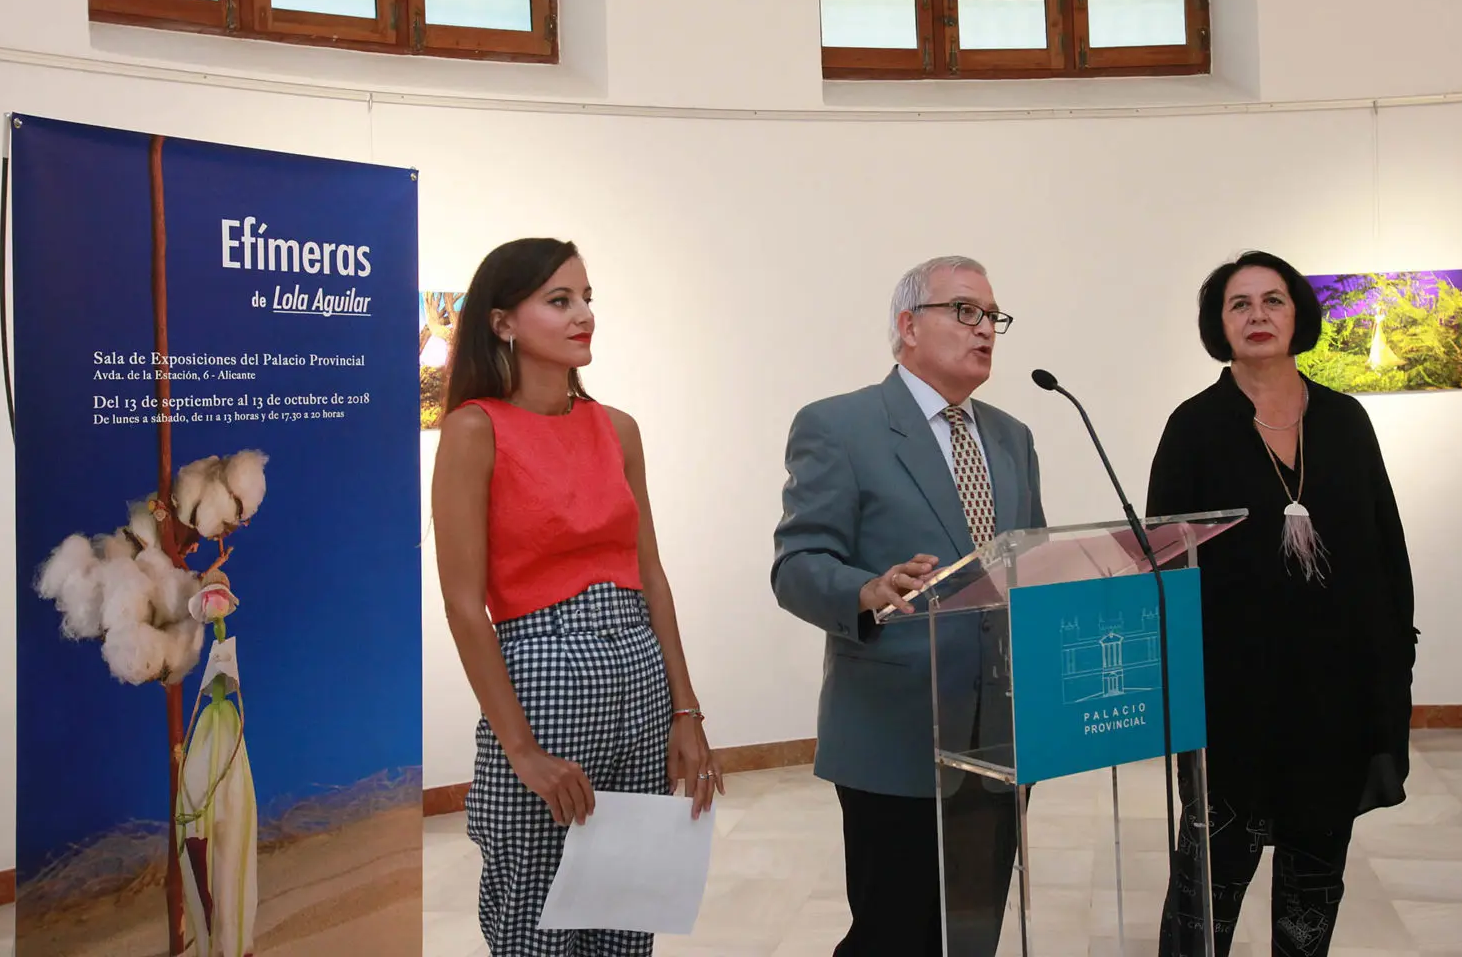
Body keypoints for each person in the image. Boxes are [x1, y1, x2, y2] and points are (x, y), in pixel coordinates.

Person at [431, 237, 723, 957]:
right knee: (534, 914)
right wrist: (521, 749)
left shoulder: (617, 428)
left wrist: (686, 711)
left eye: (587, 298)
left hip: (640, 676)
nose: (583, 315)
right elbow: (463, 605)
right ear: (503, 322)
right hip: (542, 673)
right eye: (559, 300)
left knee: (626, 910)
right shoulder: (474, 430)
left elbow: (651, 572)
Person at [770, 256, 1046, 957]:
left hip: (1000, 735)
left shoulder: (1012, 436)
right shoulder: (840, 425)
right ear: (908, 325)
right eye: (965, 311)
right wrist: (865, 591)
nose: (984, 329)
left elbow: (1032, 560)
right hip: (896, 732)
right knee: (893, 936)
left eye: (993, 317)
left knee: (972, 933)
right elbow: (797, 564)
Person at [1147, 251, 1418, 957]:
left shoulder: (1346, 420)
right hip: (1233, 698)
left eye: (1273, 300)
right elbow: (1165, 562)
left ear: (1298, 314)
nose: (1257, 315)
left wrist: (1393, 665)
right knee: (1210, 881)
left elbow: (1385, 548)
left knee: (1314, 883)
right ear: (1219, 324)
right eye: (1239, 304)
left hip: (1334, 696)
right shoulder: (1194, 426)